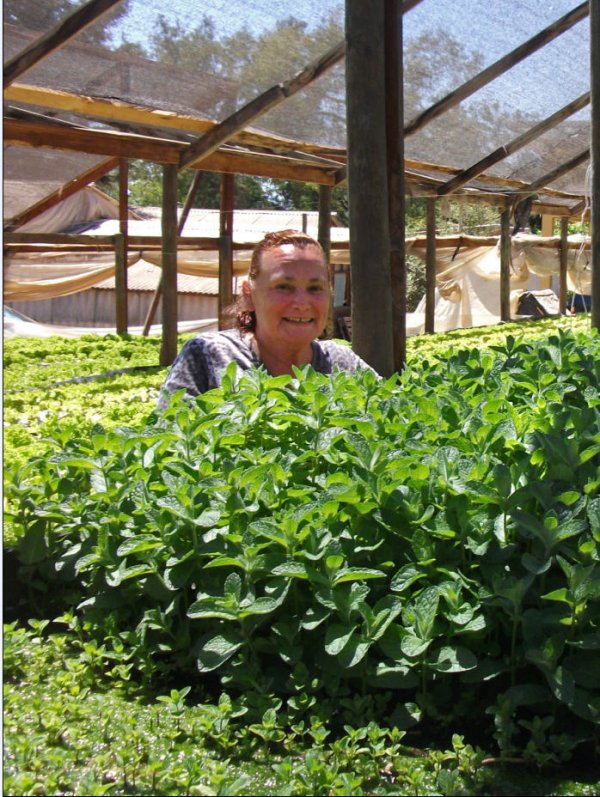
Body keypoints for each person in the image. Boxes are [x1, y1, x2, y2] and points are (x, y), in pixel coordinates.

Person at [157, 229, 377, 407]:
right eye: (284, 286)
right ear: (248, 295)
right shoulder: (209, 355)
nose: (302, 303)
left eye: (314, 288)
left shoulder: (343, 363)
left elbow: (397, 420)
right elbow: (166, 446)